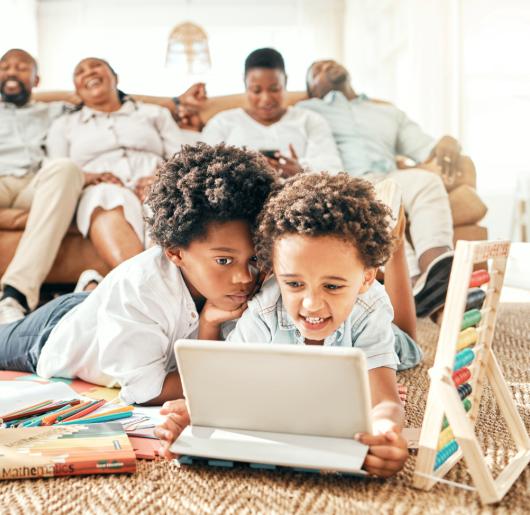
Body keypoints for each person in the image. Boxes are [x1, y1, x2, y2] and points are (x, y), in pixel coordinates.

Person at [157, 173, 420, 478]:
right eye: (294, 283)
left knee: (409, 346)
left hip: (361, 328)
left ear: (365, 277)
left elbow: (385, 401)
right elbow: (227, 386)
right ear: (275, 273)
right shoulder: (266, 307)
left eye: (332, 286)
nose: (311, 305)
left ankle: (396, 244)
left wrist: (386, 429)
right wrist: (192, 414)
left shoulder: (369, 306)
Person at [0, 143, 276, 405]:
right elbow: (147, 391)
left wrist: (209, 325)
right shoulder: (142, 287)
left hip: (112, 313)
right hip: (54, 333)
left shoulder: (256, 282)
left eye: (253, 258)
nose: (244, 277)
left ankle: (94, 290)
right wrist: (220, 376)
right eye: (224, 260)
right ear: (176, 253)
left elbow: (215, 371)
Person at [300, 59, 459, 316]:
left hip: (389, 175)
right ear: (311, 89)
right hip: (346, 183)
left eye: (331, 62)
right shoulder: (307, 111)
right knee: (384, 204)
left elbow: (426, 148)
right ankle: (414, 284)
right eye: (316, 70)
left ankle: (438, 268)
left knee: (427, 181)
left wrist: (450, 140)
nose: (327, 65)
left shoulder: (387, 112)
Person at [46, 57, 198, 273]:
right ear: (76, 92)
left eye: (96, 66)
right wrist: (89, 177)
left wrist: (163, 178)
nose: (89, 72)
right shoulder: (64, 125)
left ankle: (155, 289)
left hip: (156, 180)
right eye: (80, 71)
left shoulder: (154, 113)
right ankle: (142, 283)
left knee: (164, 202)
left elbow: (182, 157)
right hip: (101, 186)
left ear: (115, 78)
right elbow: (58, 169)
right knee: (106, 198)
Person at [0, 48, 86, 324]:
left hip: (34, 186)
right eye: (6, 67)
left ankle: (15, 295)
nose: (12, 72)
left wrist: (177, 102)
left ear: (37, 80)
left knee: (66, 168)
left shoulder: (53, 110)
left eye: (22, 68)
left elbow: (96, 96)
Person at [202, 48, 342, 178]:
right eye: (256, 90)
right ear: (245, 85)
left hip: (299, 198)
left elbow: (333, 170)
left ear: (285, 82)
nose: (266, 99)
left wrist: (301, 171)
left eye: (274, 89)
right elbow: (201, 171)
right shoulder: (222, 123)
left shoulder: (310, 120)